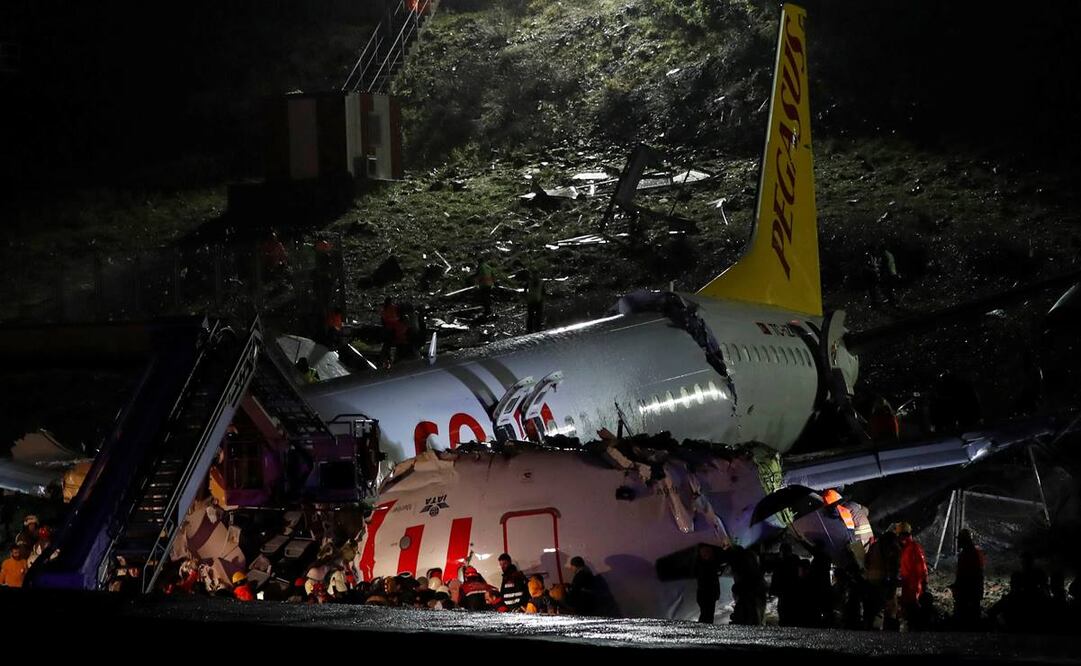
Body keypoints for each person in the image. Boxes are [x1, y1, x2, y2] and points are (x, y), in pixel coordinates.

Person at [951, 529, 984, 630]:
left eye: (960, 539)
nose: (958, 542)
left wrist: (957, 587)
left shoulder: (968, 554)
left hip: (968, 592)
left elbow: (967, 575)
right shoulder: (973, 553)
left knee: (967, 621)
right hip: (971, 592)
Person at [694, 544, 722, 624]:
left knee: (707, 615)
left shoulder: (705, 565)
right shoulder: (706, 566)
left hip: (707, 596)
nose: (707, 554)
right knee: (707, 615)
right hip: (707, 596)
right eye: (705, 553)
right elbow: (711, 582)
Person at [524, 269, 545, 333]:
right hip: (531, 301)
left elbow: (543, 291)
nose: (535, 276)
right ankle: (529, 329)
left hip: (538, 301)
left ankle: (537, 328)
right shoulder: (529, 282)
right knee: (530, 316)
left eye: (536, 275)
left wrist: (543, 299)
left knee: (539, 315)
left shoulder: (541, 282)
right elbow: (524, 290)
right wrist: (526, 297)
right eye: (534, 275)